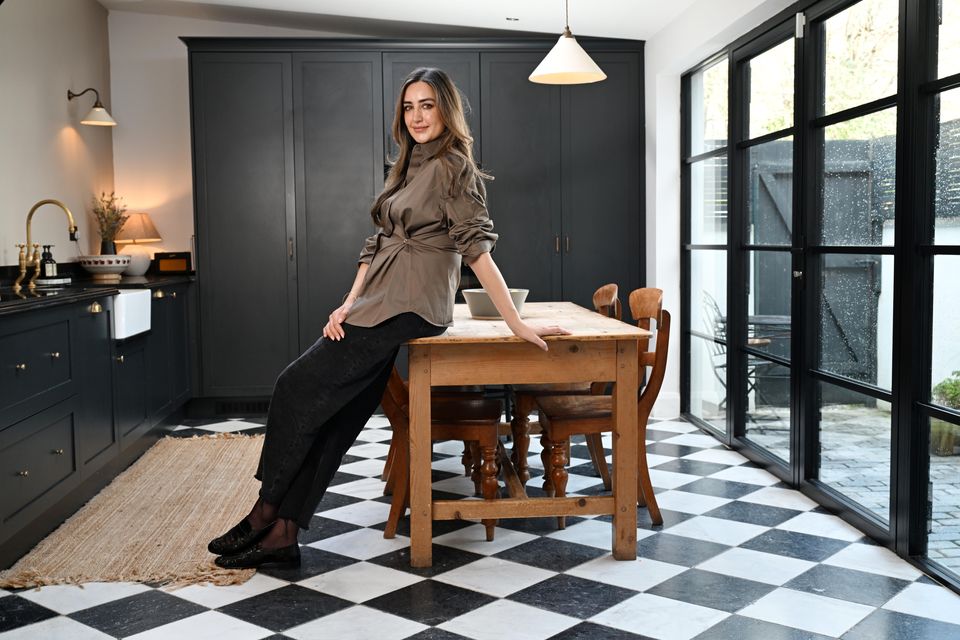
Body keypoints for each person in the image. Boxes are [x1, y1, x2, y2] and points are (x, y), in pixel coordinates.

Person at [208, 67, 570, 569]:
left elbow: (476, 250)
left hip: (413, 304)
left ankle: (264, 511)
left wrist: (515, 322)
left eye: (428, 105)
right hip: (381, 298)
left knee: (294, 387)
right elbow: (376, 242)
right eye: (409, 106)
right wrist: (347, 303)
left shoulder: (453, 166)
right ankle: (284, 533)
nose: (418, 116)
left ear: (446, 109)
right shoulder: (406, 164)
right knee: (339, 414)